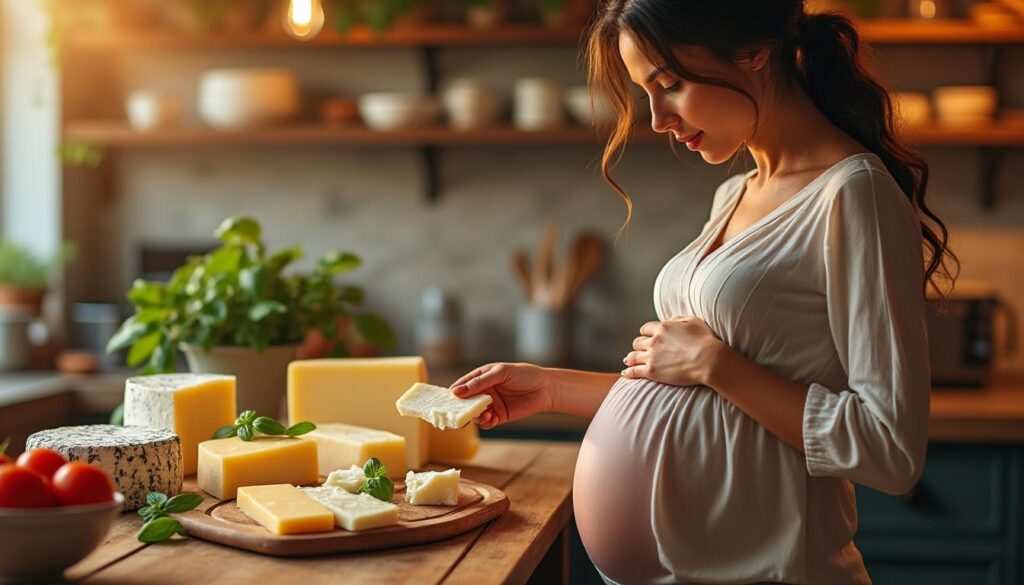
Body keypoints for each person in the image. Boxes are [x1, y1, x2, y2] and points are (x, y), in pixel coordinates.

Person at [450, 0, 959, 583]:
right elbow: (703, 401)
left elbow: (890, 451)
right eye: (645, 93)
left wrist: (718, 365)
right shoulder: (735, 194)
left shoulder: (852, 194)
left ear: (752, 51)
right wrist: (550, 387)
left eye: (669, 84)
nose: (657, 117)